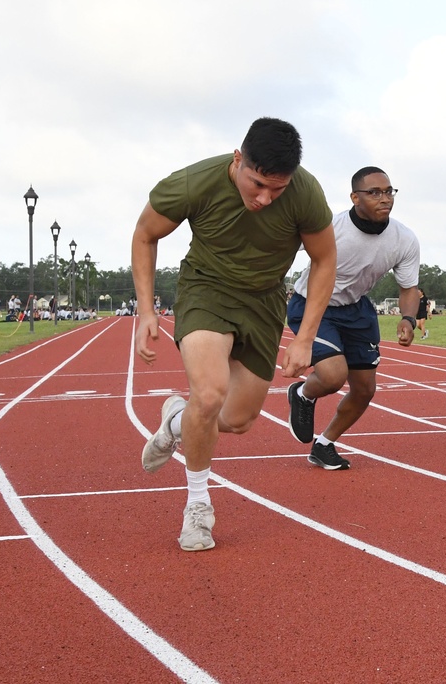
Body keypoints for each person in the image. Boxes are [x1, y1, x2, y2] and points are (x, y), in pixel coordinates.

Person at [132, 117, 337, 552]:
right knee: (208, 396)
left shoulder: (305, 193)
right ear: (238, 158)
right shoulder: (194, 183)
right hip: (206, 288)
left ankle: (173, 420)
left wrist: (303, 338)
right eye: (257, 184)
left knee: (238, 420)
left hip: (264, 301)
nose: (264, 198)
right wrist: (146, 309)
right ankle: (198, 507)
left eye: (276, 190)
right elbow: (146, 233)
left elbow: (324, 260)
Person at [286, 166, 420, 470]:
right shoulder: (331, 228)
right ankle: (303, 393)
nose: (384, 198)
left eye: (388, 191)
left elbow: (409, 288)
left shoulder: (404, 239)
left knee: (364, 389)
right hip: (314, 305)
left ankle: (325, 444)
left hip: (357, 309)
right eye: (374, 192)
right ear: (355, 197)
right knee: (333, 376)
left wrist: (408, 319)